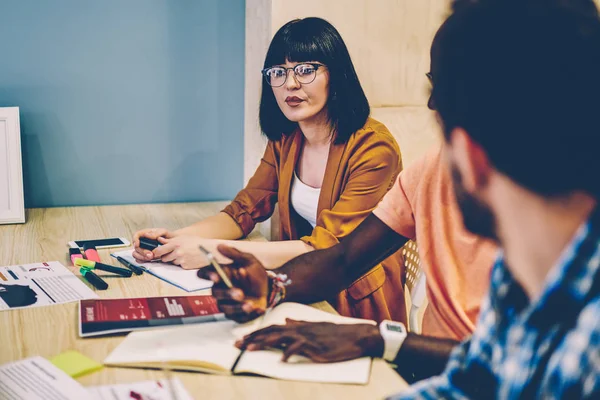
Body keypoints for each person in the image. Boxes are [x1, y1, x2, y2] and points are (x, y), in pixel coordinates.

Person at [204, 0, 600, 396]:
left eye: (437, 91)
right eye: (280, 73)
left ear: (473, 158)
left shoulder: (582, 347)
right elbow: (345, 258)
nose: (291, 84)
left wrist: (378, 337)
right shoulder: (515, 270)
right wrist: (275, 288)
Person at [133, 17, 407, 323]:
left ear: (337, 74)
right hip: (302, 287)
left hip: (357, 303)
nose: (290, 84)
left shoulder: (374, 149)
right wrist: (175, 239)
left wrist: (215, 252)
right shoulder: (287, 139)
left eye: (305, 69)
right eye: (278, 72)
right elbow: (243, 211)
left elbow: (329, 248)